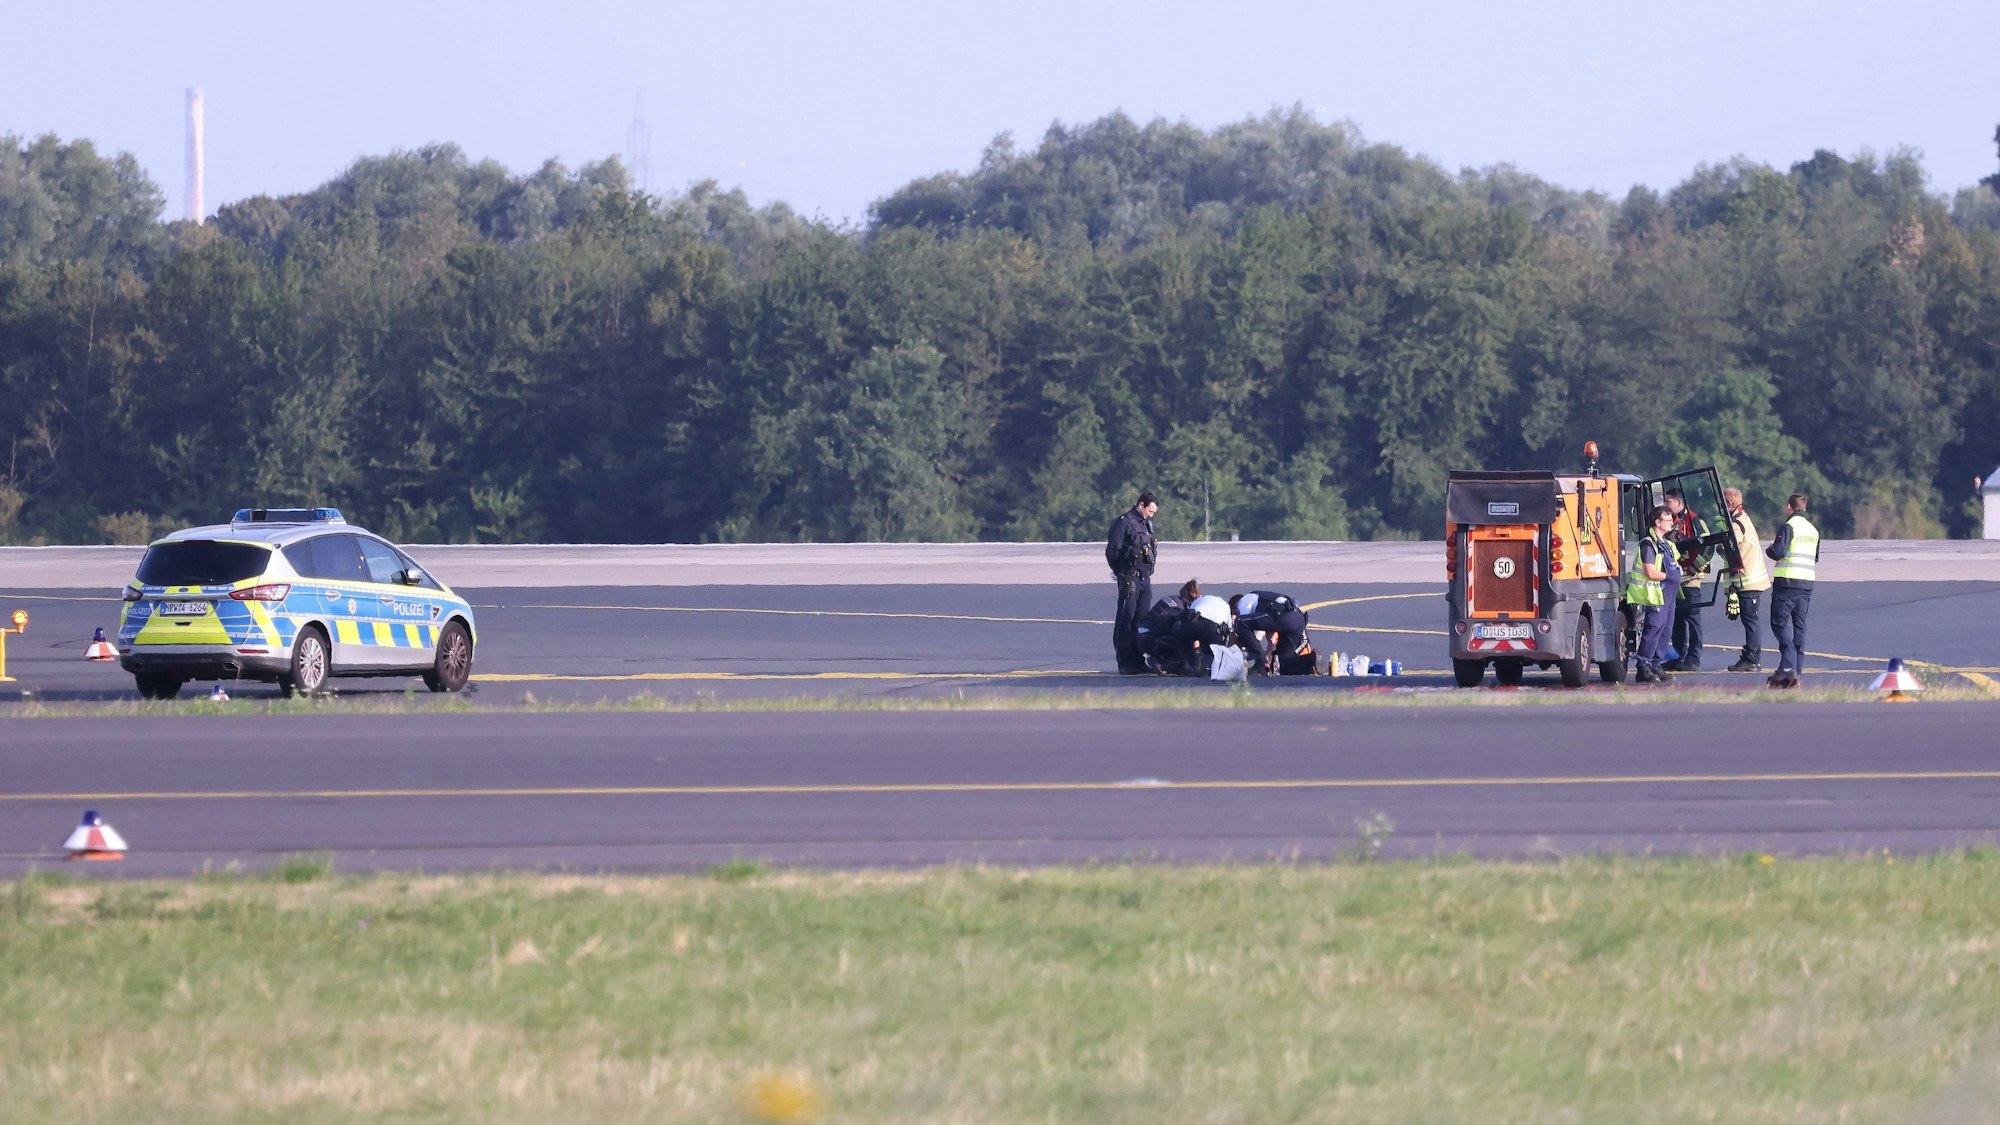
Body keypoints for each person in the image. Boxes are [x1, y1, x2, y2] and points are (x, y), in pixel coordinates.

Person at [1764, 492, 1819, 688]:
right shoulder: (1813, 530)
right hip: (1807, 583)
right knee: (1799, 627)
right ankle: (1796, 670)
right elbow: (1815, 558)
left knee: (1779, 622)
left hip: (1788, 582)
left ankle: (1788, 664)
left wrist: (1769, 549)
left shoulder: (1789, 526)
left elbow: (1779, 552)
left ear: (1789, 507)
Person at [1105, 491, 1159, 674]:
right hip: (1130, 578)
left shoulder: (1145, 524)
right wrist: (1120, 573)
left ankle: (1138, 660)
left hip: (1145, 579)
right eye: (1150, 511)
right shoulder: (1124, 522)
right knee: (1125, 620)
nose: (1151, 515)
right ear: (1141, 505)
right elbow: (1112, 551)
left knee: (1141, 621)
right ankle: (1125, 661)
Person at [1661, 489, 1715, 672]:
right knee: (1676, 620)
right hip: (1675, 580)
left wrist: (1694, 567)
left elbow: (1709, 546)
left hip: (1691, 580)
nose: (1666, 505)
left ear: (1679, 502)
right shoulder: (1671, 523)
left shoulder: (1695, 521)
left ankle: (1693, 658)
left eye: (1668, 501)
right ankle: (1678, 656)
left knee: (1693, 619)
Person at [1628, 504, 1682, 683]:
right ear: (1658, 522)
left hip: (1669, 594)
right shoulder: (1648, 544)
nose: (1672, 524)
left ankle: (1656, 664)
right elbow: (1650, 572)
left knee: (1666, 629)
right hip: (1657, 593)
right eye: (1668, 520)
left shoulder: (1667, 544)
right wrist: (1669, 577)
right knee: (1653, 628)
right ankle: (1643, 666)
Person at [1719, 487, 1770, 672]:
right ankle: (1751, 656)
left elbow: (1730, 548)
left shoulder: (1736, 524)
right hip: (1750, 581)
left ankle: (1752, 658)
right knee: (1750, 620)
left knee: (1751, 621)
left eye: (1723, 502)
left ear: (1730, 504)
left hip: (1748, 581)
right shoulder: (1743, 519)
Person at [1228, 590, 1310, 675]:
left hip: (1283, 617)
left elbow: (1249, 633)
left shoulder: (1244, 601)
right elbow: (1271, 636)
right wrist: (1269, 651)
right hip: (1298, 619)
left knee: (1240, 622)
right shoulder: (1263, 602)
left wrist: (1242, 649)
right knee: (1283, 662)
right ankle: (1311, 664)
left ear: (1235, 607)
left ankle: (1260, 662)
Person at [1135, 579, 1202, 674]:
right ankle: (1163, 663)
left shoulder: (1172, 599)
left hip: (1141, 636)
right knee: (1184, 644)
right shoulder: (1180, 609)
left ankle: (1158, 658)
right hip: (1152, 639)